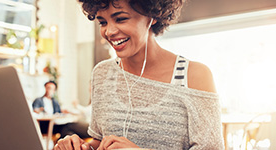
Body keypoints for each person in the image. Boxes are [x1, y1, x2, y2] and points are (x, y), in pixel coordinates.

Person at [55, 0, 224, 149]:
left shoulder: (194, 76)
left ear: (153, 15)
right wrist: (78, 146)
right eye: (102, 22)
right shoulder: (103, 74)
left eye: (120, 18)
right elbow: (100, 142)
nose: (109, 31)